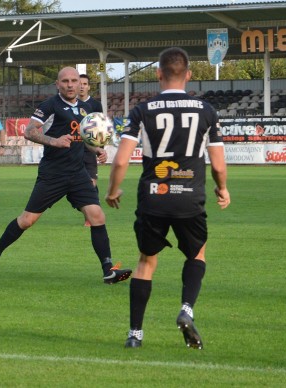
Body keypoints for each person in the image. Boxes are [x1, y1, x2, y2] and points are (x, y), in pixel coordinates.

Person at [105, 47, 230, 349]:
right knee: (196, 255)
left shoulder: (142, 111)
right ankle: (186, 309)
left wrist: (112, 191)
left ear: (158, 74)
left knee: (146, 262)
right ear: (188, 75)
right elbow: (218, 164)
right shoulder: (206, 111)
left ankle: (135, 334)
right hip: (190, 199)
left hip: (153, 198)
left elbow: (121, 161)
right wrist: (222, 188)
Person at [0, 67, 132, 284]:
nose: (70, 85)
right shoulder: (50, 106)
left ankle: (108, 270)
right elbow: (29, 131)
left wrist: (95, 148)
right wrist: (54, 141)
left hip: (77, 174)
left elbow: (82, 138)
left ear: (80, 84)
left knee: (97, 216)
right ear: (58, 84)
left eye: (74, 81)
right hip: (53, 175)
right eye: (65, 81)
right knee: (27, 220)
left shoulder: (86, 108)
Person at [78, 74, 103, 226]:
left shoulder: (95, 105)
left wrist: (100, 148)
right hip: (73, 148)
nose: (81, 86)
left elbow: (101, 127)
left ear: (89, 86)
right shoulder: (71, 103)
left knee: (91, 182)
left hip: (89, 148)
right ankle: (90, 211)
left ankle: (90, 216)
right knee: (78, 183)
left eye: (85, 83)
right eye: (79, 83)